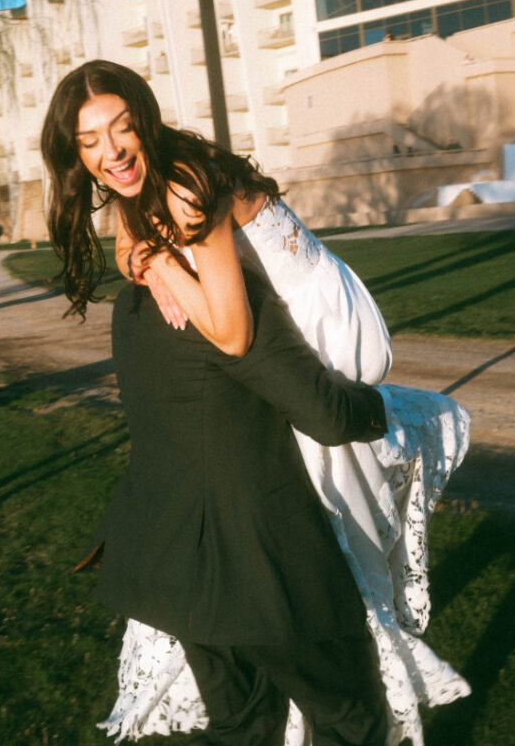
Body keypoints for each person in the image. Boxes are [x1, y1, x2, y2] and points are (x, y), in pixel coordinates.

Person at [41, 60, 471, 746]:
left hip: (328, 317)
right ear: (74, 153)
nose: (111, 150)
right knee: (341, 693)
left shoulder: (182, 187)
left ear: (146, 123)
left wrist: (171, 272)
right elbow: (158, 271)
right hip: (248, 524)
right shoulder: (141, 197)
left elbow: (234, 331)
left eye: (122, 129)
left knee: (249, 708)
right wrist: (157, 266)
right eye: (90, 140)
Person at [75, 267, 391, 745]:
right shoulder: (228, 302)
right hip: (259, 566)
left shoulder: (135, 298)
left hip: (173, 557)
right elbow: (326, 416)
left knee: (243, 726)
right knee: (351, 720)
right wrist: (381, 406)